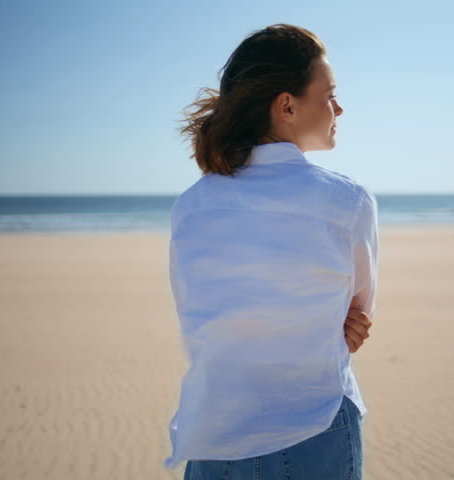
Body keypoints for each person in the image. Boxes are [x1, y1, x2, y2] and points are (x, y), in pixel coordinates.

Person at [165, 23, 378, 480]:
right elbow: (356, 316)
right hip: (314, 426)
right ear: (286, 105)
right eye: (329, 95)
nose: (339, 108)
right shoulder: (347, 201)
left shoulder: (191, 205)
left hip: (212, 437)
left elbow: (200, 317)